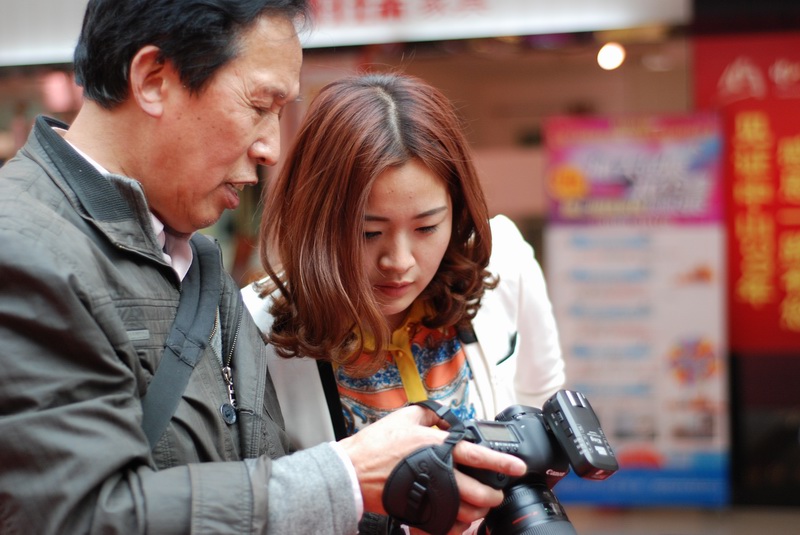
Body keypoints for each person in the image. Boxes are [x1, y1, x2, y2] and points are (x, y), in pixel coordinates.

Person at [0, 2, 527, 534]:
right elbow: (78, 515)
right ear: (154, 80)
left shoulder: (194, 259)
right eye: (259, 106)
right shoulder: (21, 248)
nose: (271, 148)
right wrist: (346, 475)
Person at [242, 73, 565, 452]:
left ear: (458, 210)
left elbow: (542, 406)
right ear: (316, 222)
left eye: (426, 228)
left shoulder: (503, 262)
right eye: (368, 232)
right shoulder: (252, 327)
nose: (398, 261)